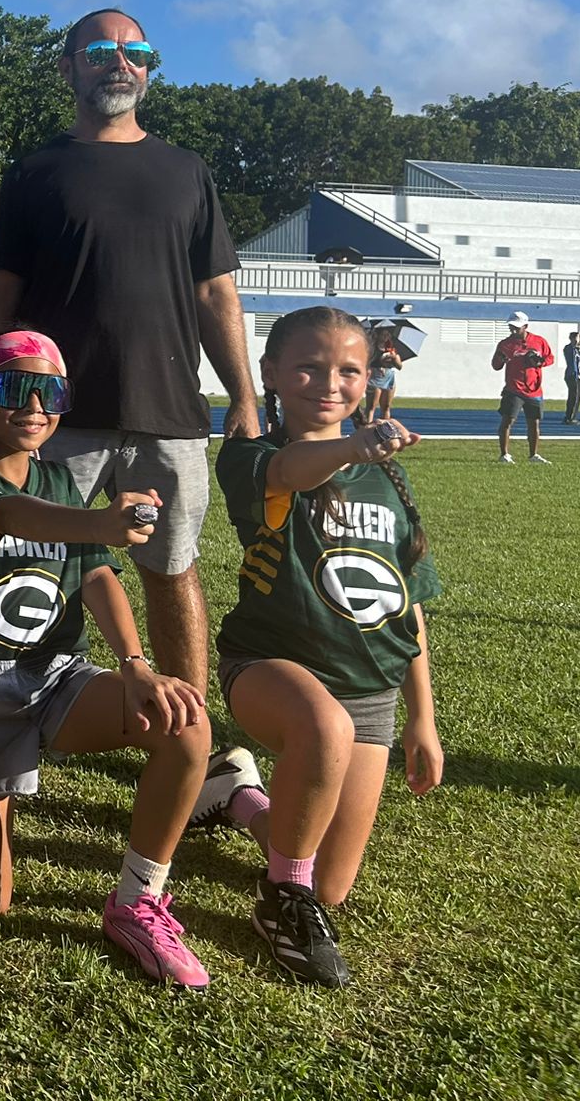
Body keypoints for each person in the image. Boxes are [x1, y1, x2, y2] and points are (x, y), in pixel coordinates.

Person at [0, 8, 260, 699]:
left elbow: (216, 296)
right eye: (100, 49)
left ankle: (187, 734)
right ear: (69, 67)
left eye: (137, 51)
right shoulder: (34, 173)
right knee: (33, 567)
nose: (120, 61)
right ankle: (12, 721)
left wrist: (245, 399)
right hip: (55, 417)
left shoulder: (187, 172)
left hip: (169, 416)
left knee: (173, 570)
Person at [0, 330, 219, 990]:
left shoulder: (60, 476)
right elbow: (10, 514)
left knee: (186, 722)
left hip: (58, 680)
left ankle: (136, 901)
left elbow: (97, 577)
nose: (34, 406)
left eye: (50, 391)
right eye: (11, 389)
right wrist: (96, 524)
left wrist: (137, 663)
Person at [208, 305, 443, 986]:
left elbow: (408, 609)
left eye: (348, 369)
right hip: (268, 667)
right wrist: (351, 446)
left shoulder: (390, 482)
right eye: (308, 366)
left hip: (367, 690)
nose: (328, 382)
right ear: (272, 374)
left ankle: (235, 794)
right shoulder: (252, 455)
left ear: (370, 379)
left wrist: (421, 719)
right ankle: (281, 904)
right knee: (322, 729)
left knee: (331, 881)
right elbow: (289, 470)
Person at [493, 312, 555, 464]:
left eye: (516, 328)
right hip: (514, 389)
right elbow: (496, 366)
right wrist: (500, 359)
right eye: (511, 327)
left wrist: (540, 362)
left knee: (534, 423)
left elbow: (550, 358)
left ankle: (533, 455)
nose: (513, 330)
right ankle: (504, 454)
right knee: (508, 420)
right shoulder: (505, 344)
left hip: (534, 390)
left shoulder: (539, 341)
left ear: (525, 326)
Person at [359, 326, 401, 424]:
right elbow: (365, 362)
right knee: (371, 406)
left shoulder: (391, 349)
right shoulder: (372, 348)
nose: (386, 336)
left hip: (388, 377)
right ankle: (366, 428)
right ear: (378, 335)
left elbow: (399, 366)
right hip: (375, 376)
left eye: (388, 334)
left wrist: (394, 358)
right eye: (384, 334)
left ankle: (386, 430)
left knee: (386, 406)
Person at [561, 329, 580, 426]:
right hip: (572, 375)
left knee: (577, 396)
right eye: (579, 339)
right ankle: (569, 418)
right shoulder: (568, 348)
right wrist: (578, 335)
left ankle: (571, 416)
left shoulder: (577, 351)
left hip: (578, 376)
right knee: (573, 396)